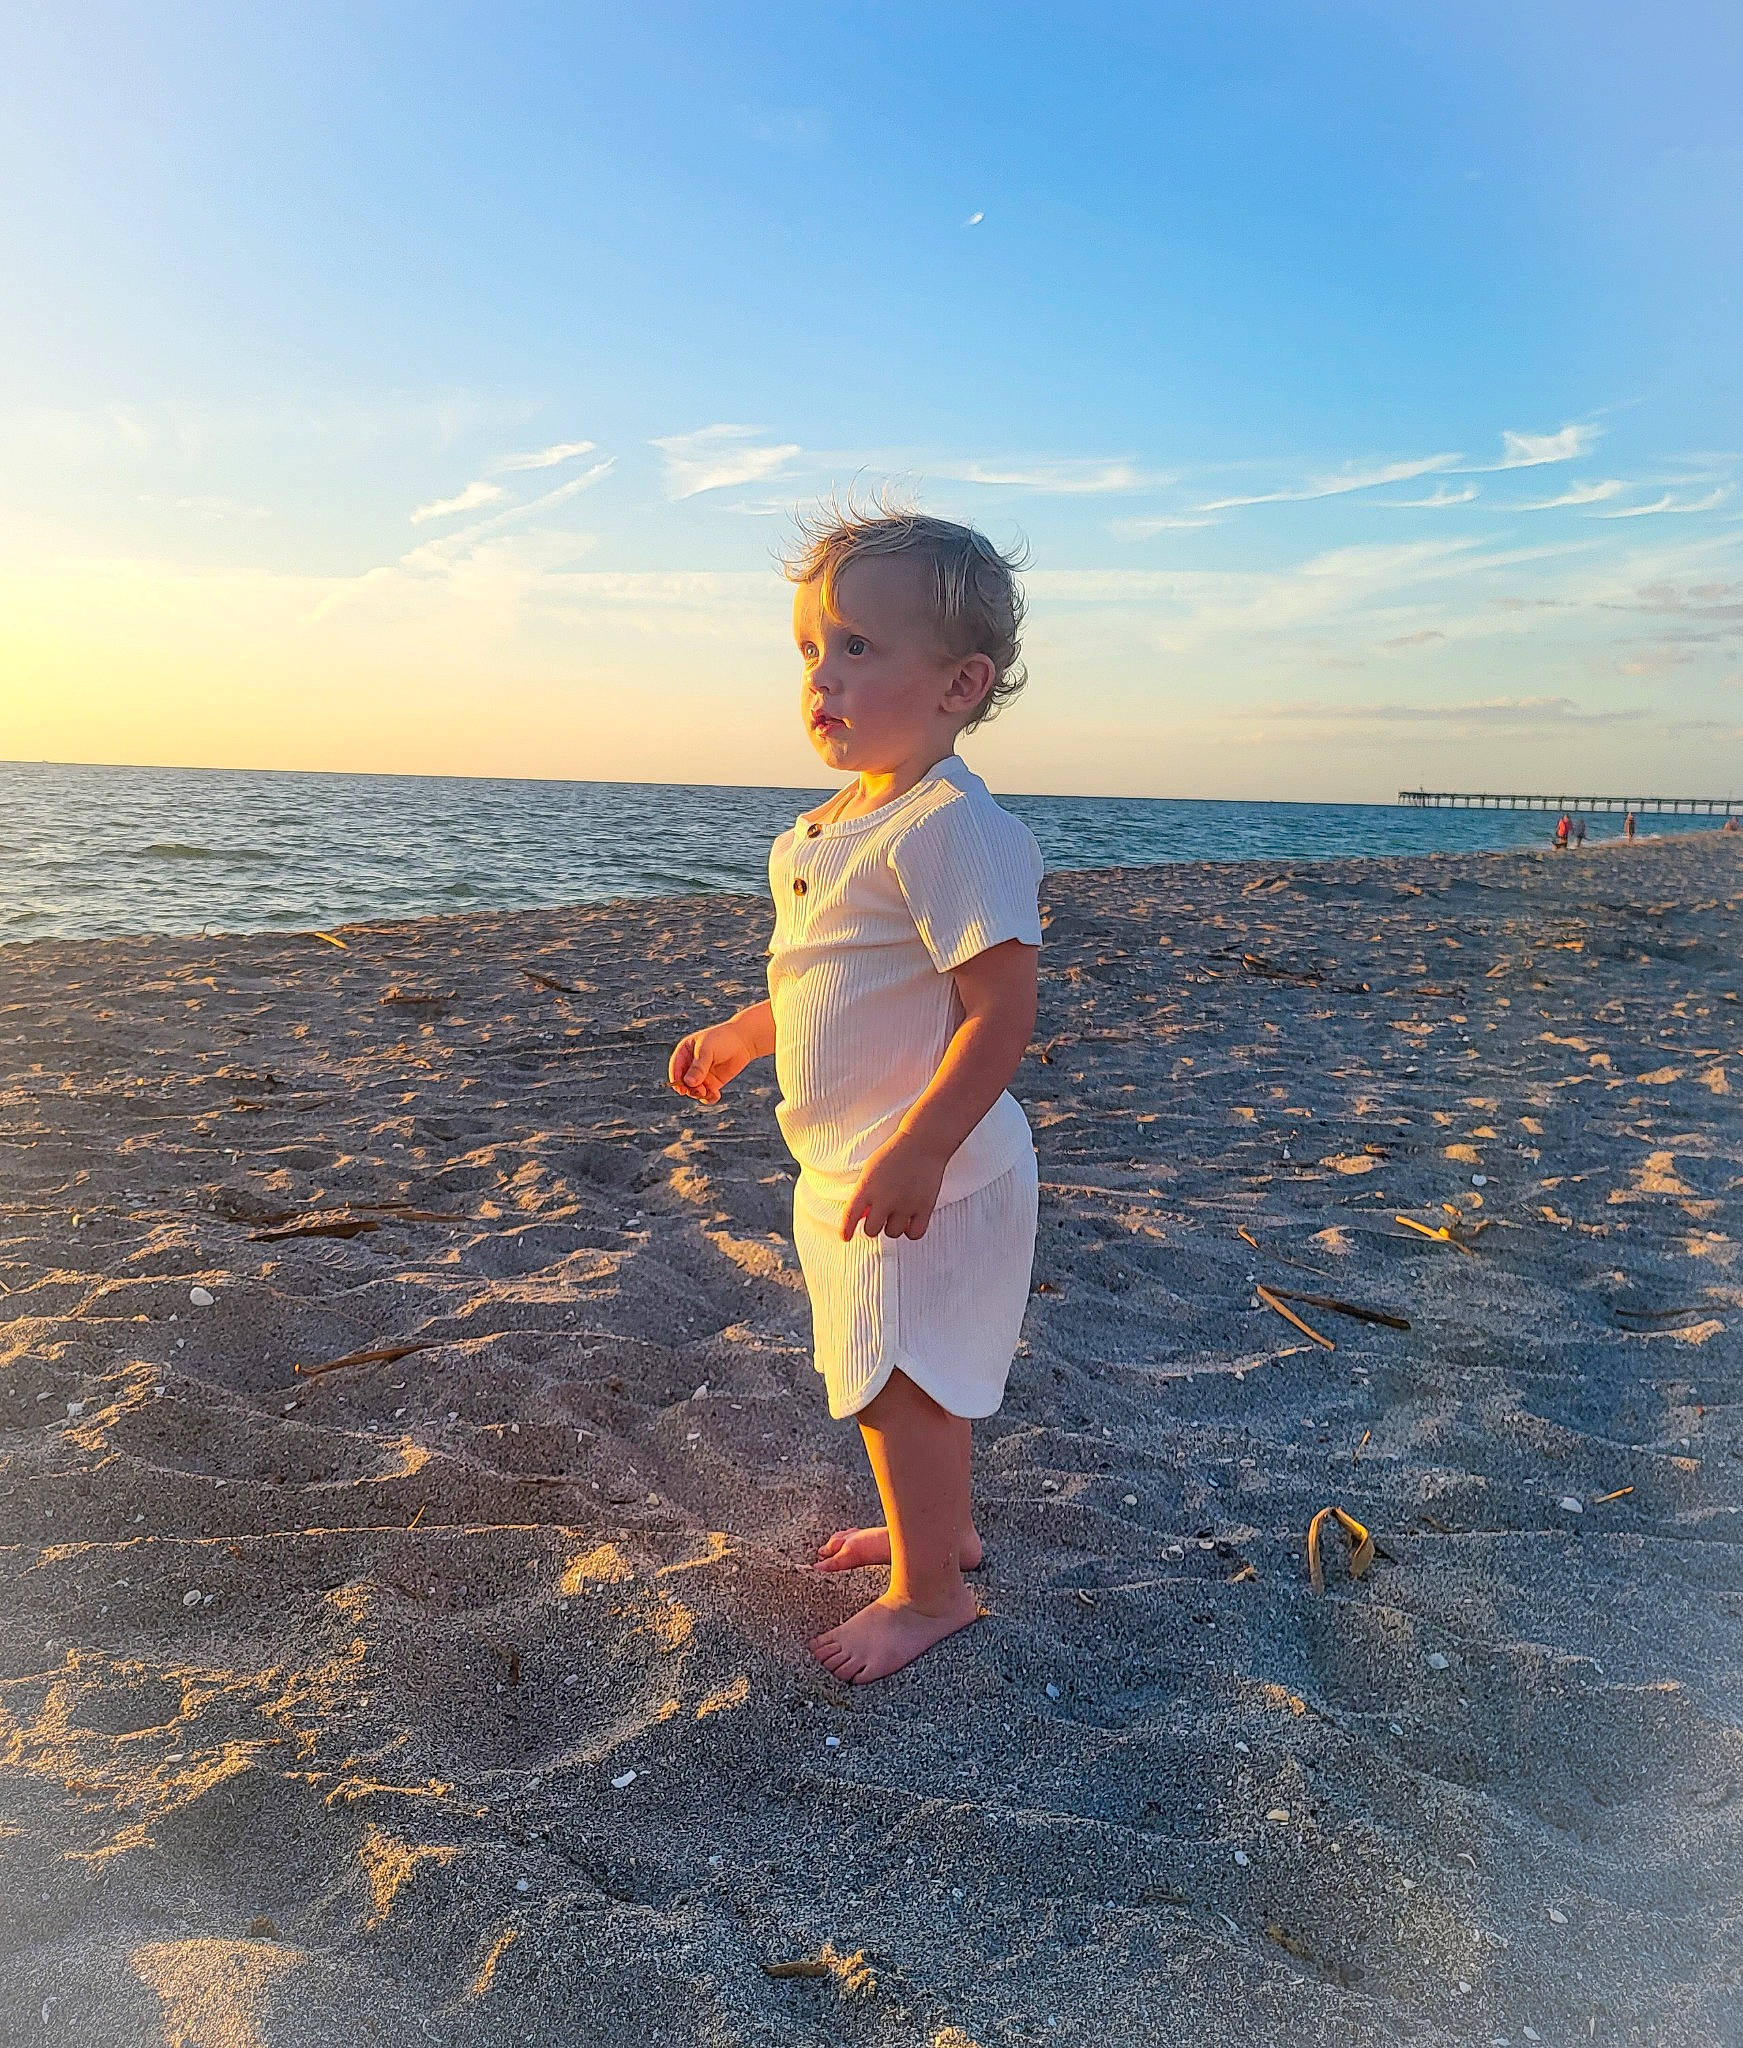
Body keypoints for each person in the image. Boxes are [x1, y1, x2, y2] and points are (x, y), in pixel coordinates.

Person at [669, 505, 1042, 1684]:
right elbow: (830, 984)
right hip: (851, 1161)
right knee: (902, 1362)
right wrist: (745, 1031)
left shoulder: (949, 829)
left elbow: (1000, 1011)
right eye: (809, 651)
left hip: (930, 1166)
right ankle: (949, 1529)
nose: (822, 678)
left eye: (859, 649)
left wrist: (924, 1149)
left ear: (959, 684)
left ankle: (930, 1592)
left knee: (898, 1377)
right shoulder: (831, 826)